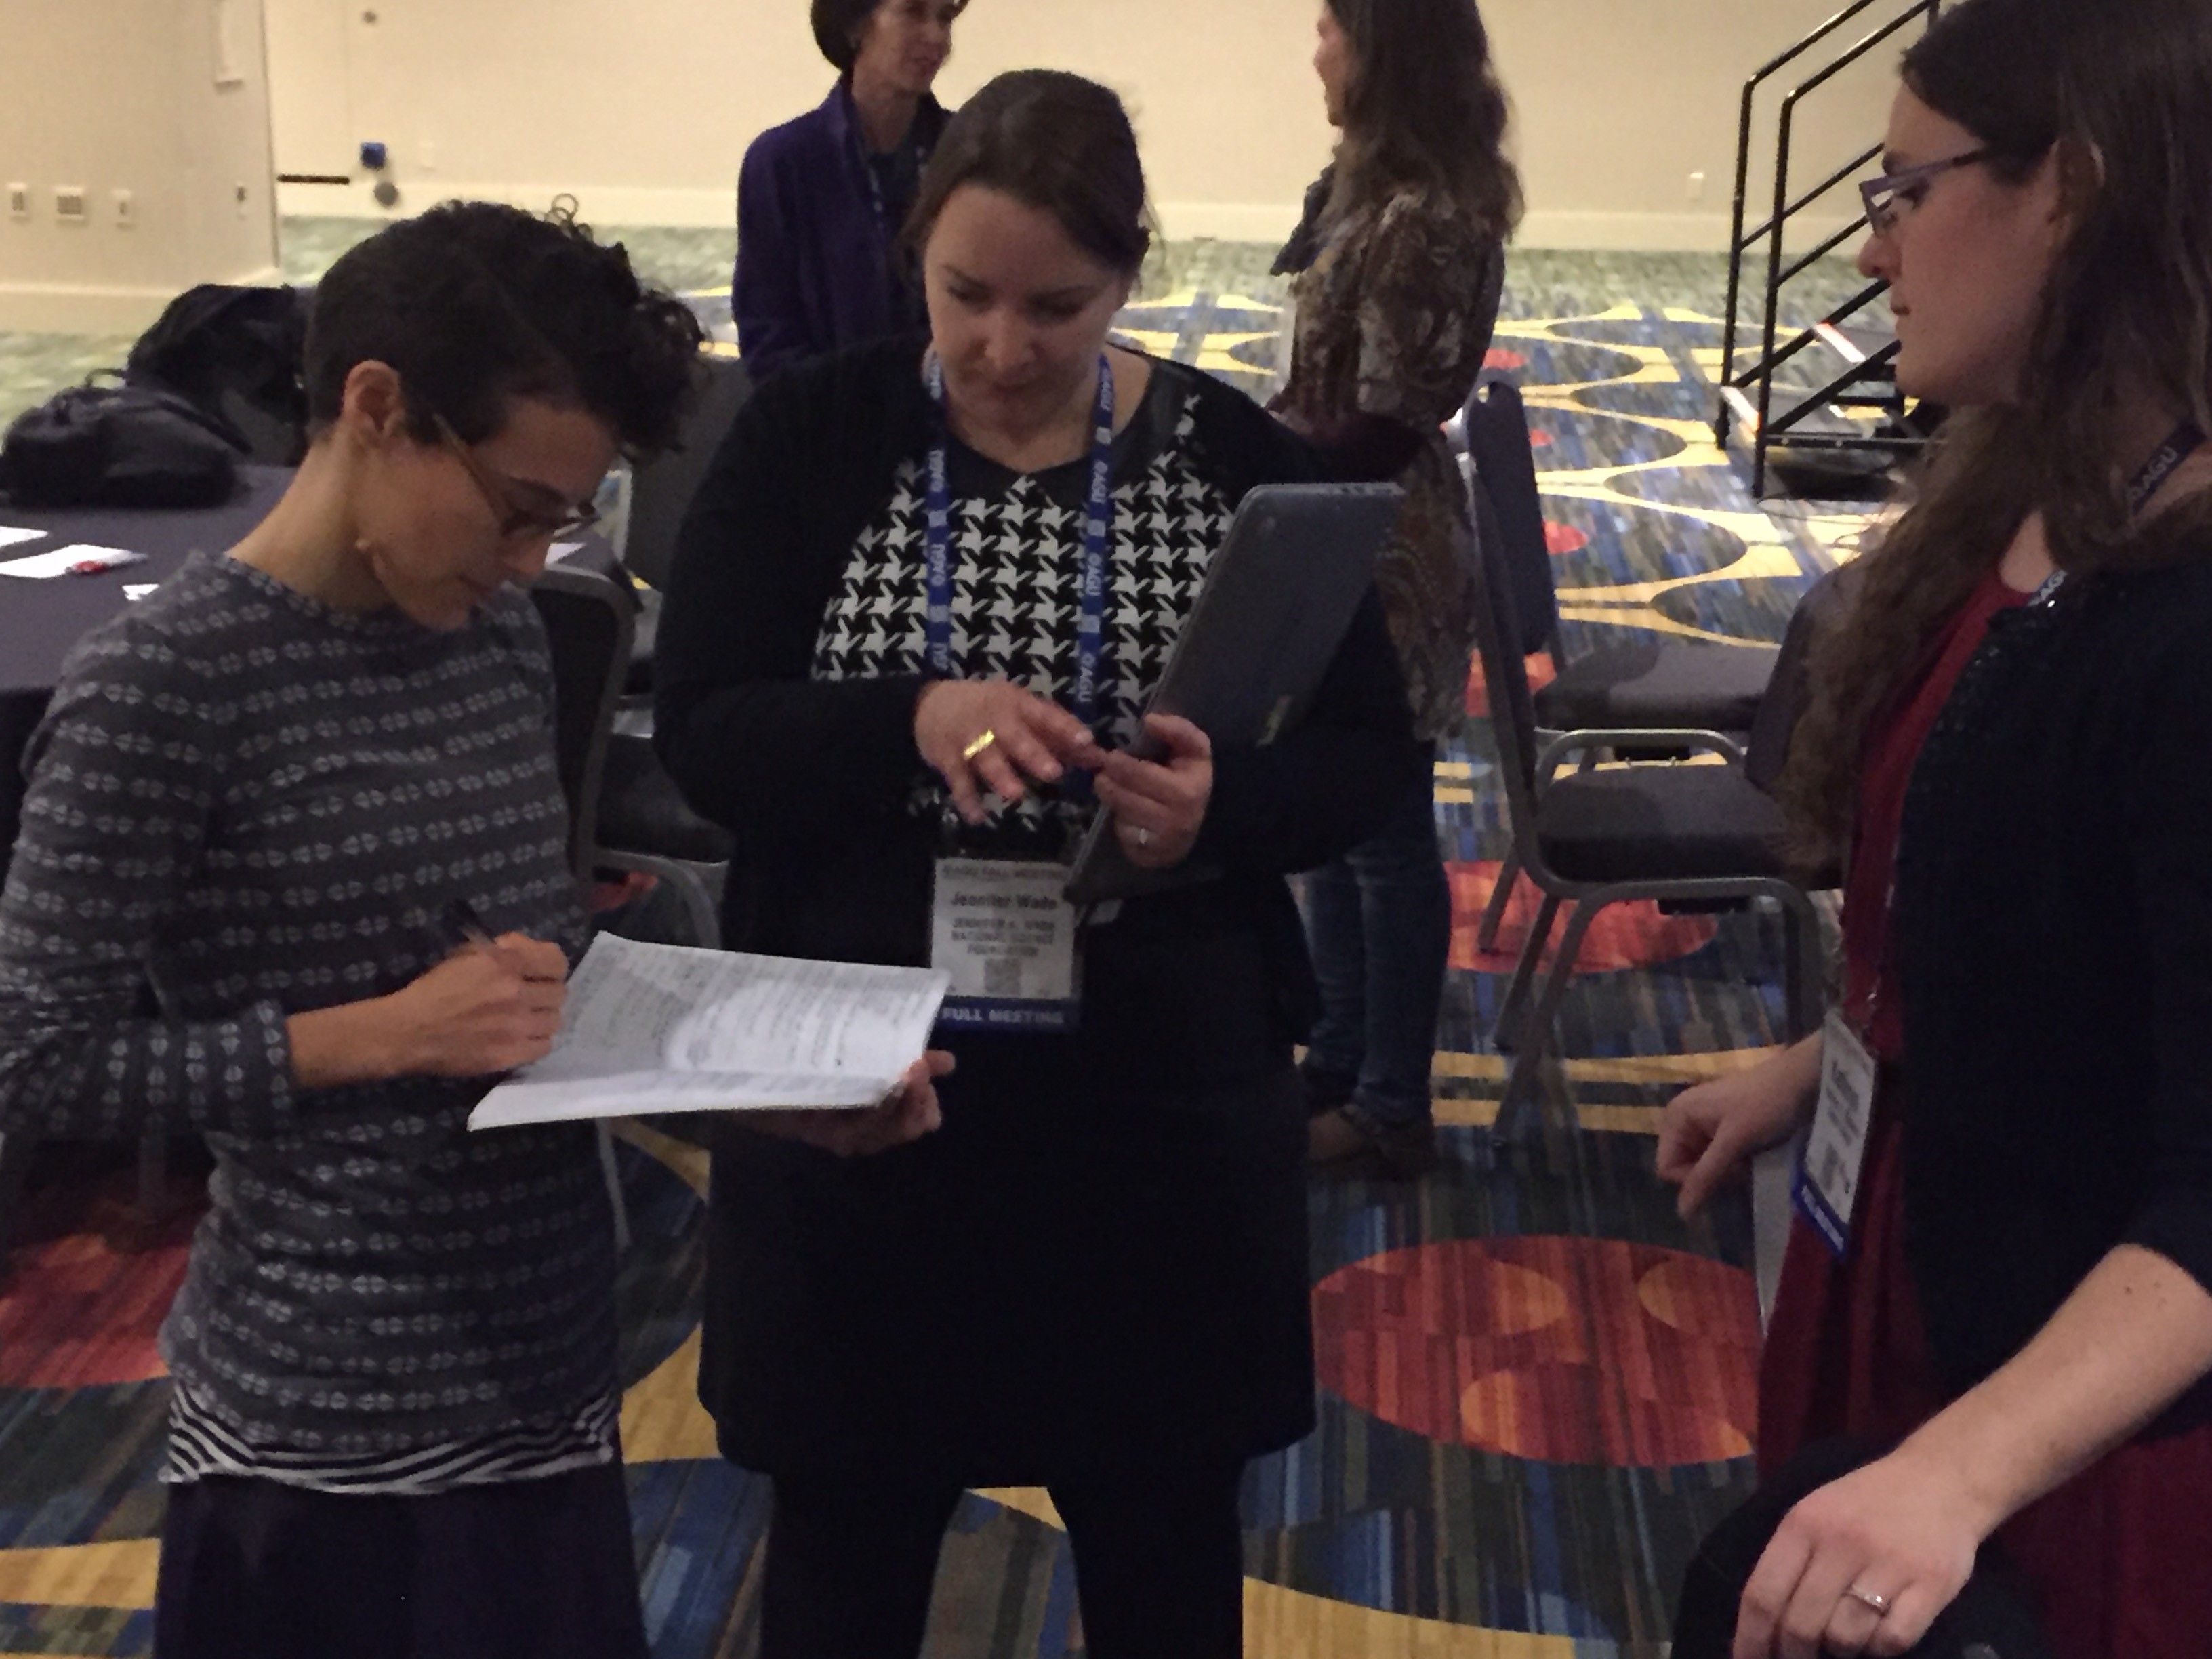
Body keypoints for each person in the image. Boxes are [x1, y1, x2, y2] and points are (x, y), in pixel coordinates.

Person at [0, 201, 945, 1659]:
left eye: (563, 523)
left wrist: (767, 1093)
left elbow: (535, 973)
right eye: (516, 508)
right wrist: (372, 1040)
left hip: (544, 1366)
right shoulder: (166, 689)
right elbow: (33, 1068)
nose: (528, 561)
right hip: (324, 1419)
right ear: (377, 409)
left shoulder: (496, 637)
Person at [657, 68, 1425, 1659]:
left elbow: (1366, 759)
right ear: (915, 258)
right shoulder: (813, 433)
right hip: (865, 1084)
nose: (1003, 345)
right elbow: (707, 731)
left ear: (1129, 276)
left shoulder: (1229, 452)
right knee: (846, 1549)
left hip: (1150, 1101)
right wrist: (911, 717)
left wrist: (1221, 811)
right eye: (964, 295)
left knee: (1158, 1545)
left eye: (1055, 306)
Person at [1656, 2, 2212, 1654]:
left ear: (2074, 194)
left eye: (1904, 189)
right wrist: (1839, 1058)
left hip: (2087, 1428)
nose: (1870, 241)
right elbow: (2031, 925)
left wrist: (1960, 1469)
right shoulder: (2038, 492)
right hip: (1927, 1264)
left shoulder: (2189, 620)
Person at [1269, 0, 1520, 1174]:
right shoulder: (1364, 186)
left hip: (1378, 545)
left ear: (1382, 49)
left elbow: (1381, 418)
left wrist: (1244, 456)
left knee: (1379, 837)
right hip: (1335, 531)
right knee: (1331, 822)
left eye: (1327, 24)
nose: (1312, 47)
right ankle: (1333, 1058)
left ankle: (1387, 1103)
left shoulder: (1422, 216)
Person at [733, 0, 967, 378]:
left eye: (945, 18)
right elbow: (768, 334)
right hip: (827, 420)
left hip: (955, 416)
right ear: (855, 25)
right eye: (914, 12)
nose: (937, 37)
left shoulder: (970, 153)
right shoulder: (783, 161)